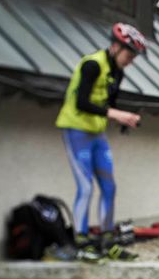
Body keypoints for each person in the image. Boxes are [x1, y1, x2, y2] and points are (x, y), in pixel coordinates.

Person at [55, 22, 146, 261]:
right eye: (129, 54)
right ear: (116, 47)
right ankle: (81, 241)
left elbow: (109, 105)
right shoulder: (93, 64)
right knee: (85, 187)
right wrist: (118, 115)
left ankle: (108, 240)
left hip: (97, 133)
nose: (131, 60)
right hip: (76, 130)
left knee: (109, 186)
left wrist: (124, 120)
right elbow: (82, 103)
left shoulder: (118, 72)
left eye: (134, 56)